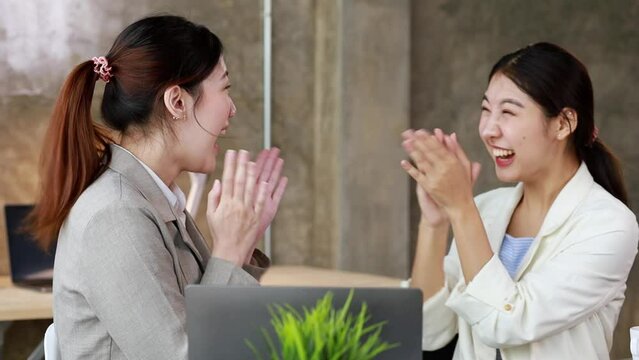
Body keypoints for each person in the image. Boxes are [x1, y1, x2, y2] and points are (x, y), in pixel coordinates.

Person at [29, 15, 288, 359]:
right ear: (177, 102)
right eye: (225, 89)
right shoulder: (116, 216)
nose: (232, 109)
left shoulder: (155, 200)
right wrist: (227, 252)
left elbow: (215, 330)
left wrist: (242, 244)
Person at [401, 42, 638, 359]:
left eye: (508, 112)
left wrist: (461, 208)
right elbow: (428, 332)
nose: (488, 130)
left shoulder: (609, 225)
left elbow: (506, 323)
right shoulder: (485, 209)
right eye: (486, 110)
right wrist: (435, 223)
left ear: (563, 123)